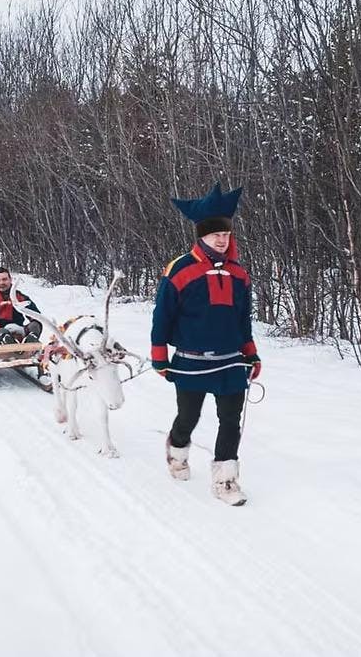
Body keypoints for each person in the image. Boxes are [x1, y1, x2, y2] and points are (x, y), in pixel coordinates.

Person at [151, 183, 260, 506]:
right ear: (202, 235)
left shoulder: (239, 274)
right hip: (191, 361)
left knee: (231, 420)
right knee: (189, 417)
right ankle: (177, 451)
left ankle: (225, 480)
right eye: (215, 235)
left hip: (230, 360)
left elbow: (243, 319)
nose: (222, 239)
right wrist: (159, 355)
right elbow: (162, 315)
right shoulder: (180, 270)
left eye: (225, 234)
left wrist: (251, 354)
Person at [0, 267, 42, 343]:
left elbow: (36, 315)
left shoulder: (20, 297)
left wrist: (34, 325)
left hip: (19, 331)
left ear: (10, 279)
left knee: (36, 324)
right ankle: (5, 339)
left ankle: (31, 339)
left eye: (4, 279)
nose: (1, 283)